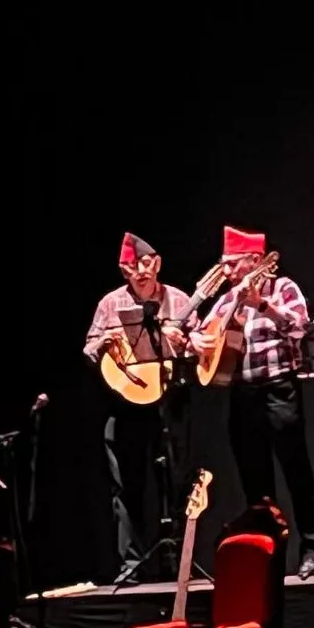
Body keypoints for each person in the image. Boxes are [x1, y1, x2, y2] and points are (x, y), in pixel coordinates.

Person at [189, 227, 314, 572]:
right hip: (243, 393)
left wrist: (263, 305)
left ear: (254, 262)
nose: (227, 271)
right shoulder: (228, 297)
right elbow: (200, 330)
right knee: (254, 477)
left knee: (296, 467)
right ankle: (267, 554)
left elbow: (300, 327)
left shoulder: (283, 288)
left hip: (279, 387)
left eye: (232, 264)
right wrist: (196, 342)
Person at [83, 233, 198, 582]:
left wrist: (186, 343)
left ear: (157, 263)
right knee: (127, 486)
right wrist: (102, 342)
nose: (141, 271)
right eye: (132, 266)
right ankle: (131, 565)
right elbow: (89, 348)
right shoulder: (110, 304)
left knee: (176, 483)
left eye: (146, 263)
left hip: (169, 402)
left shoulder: (179, 301)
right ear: (124, 270)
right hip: (126, 404)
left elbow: (201, 346)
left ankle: (177, 561)